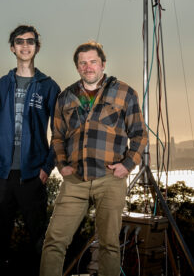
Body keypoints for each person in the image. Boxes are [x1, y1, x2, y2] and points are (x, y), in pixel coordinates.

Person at [40, 41, 147, 276]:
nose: (88, 67)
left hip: (109, 178)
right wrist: (62, 165)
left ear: (103, 64)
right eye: (83, 63)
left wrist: (127, 165)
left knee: (109, 244)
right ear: (77, 67)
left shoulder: (124, 93)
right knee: (54, 241)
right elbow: (57, 136)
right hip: (75, 180)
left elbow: (139, 134)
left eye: (93, 62)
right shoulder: (65, 97)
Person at [0, 25, 60, 275]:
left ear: (37, 47)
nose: (25, 46)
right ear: (12, 47)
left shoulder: (48, 86)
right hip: (2, 174)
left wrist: (46, 167)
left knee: (39, 238)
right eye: (20, 41)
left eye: (30, 41)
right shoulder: (2, 84)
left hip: (32, 174)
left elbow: (59, 133)